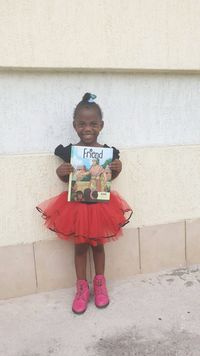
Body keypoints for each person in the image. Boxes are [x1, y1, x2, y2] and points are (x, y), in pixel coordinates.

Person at [37, 93, 132, 314]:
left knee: (98, 247)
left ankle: (100, 285)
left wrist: (116, 169)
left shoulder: (107, 153)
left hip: (100, 208)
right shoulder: (71, 153)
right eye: (82, 124)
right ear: (75, 126)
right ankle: (81, 288)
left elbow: (106, 179)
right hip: (77, 208)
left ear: (101, 126)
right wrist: (62, 172)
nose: (87, 128)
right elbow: (68, 179)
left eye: (92, 124)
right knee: (80, 248)